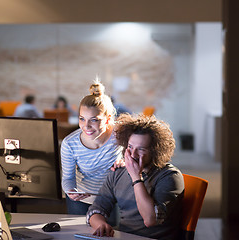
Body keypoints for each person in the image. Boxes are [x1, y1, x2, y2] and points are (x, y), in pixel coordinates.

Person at [86, 114, 185, 240]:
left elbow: (150, 220)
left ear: (155, 151)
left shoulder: (170, 177)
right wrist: (101, 224)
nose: (133, 154)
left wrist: (136, 178)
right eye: (130, 147)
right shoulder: (118, 172)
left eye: (141, 149)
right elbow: (96, 210)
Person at [60, 79, 123, 216]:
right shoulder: (70, 144)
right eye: (82, 118)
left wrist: (126, 161)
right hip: (82, 200)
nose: (86, 126)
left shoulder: (120, 134)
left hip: (114, 198)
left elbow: (140, 152)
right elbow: (68, 178)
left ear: (107, 119)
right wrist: (71, 191)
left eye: (94, 120)